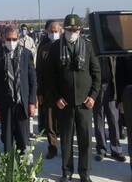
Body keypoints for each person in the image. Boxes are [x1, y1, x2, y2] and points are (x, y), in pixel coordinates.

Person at [49, 14, 101, 182]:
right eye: (69, 29)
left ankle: (85, 173)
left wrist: (93, 96)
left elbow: (96, 74)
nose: (72, 32)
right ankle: (67, 171)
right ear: (64, 29)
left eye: (75, 29)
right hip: (65, 103)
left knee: (85, 140)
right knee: (66, 140)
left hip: (84, 104)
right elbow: (51, 77)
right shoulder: (56, 48)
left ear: (80, 30)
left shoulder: (88, 46)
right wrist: (57, 97)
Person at [0, 26, 37, 153]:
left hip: (22, 103)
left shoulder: (26, 54)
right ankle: (9, 166)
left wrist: (32, 102)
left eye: (14, 39)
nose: (11, 42)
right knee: (7, 138)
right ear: (3, 38)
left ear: (18, 38)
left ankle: (23, 166)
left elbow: (33, 80)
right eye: (9, 39)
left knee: (23, 139)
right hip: (6, 104)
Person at [93, 56, 126, 162]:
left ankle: (116, 150)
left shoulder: (112, 52)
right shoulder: (94, 49)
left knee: (114, 121)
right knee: (98, 120)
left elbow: (119, 73)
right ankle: (101, 149)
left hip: (111, 90)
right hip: (97, 90)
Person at [36, 21, 61, 159]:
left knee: (64, 122)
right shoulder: (43, 49)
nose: (53, 33)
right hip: (48, 92)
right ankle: (52, 147)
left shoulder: (65, 47)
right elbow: (38, 71)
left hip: (64, 93)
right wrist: (39, 92)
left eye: (56, 30)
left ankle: (66, 146)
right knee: (50, 122)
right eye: (51, 31)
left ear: (61, 31)